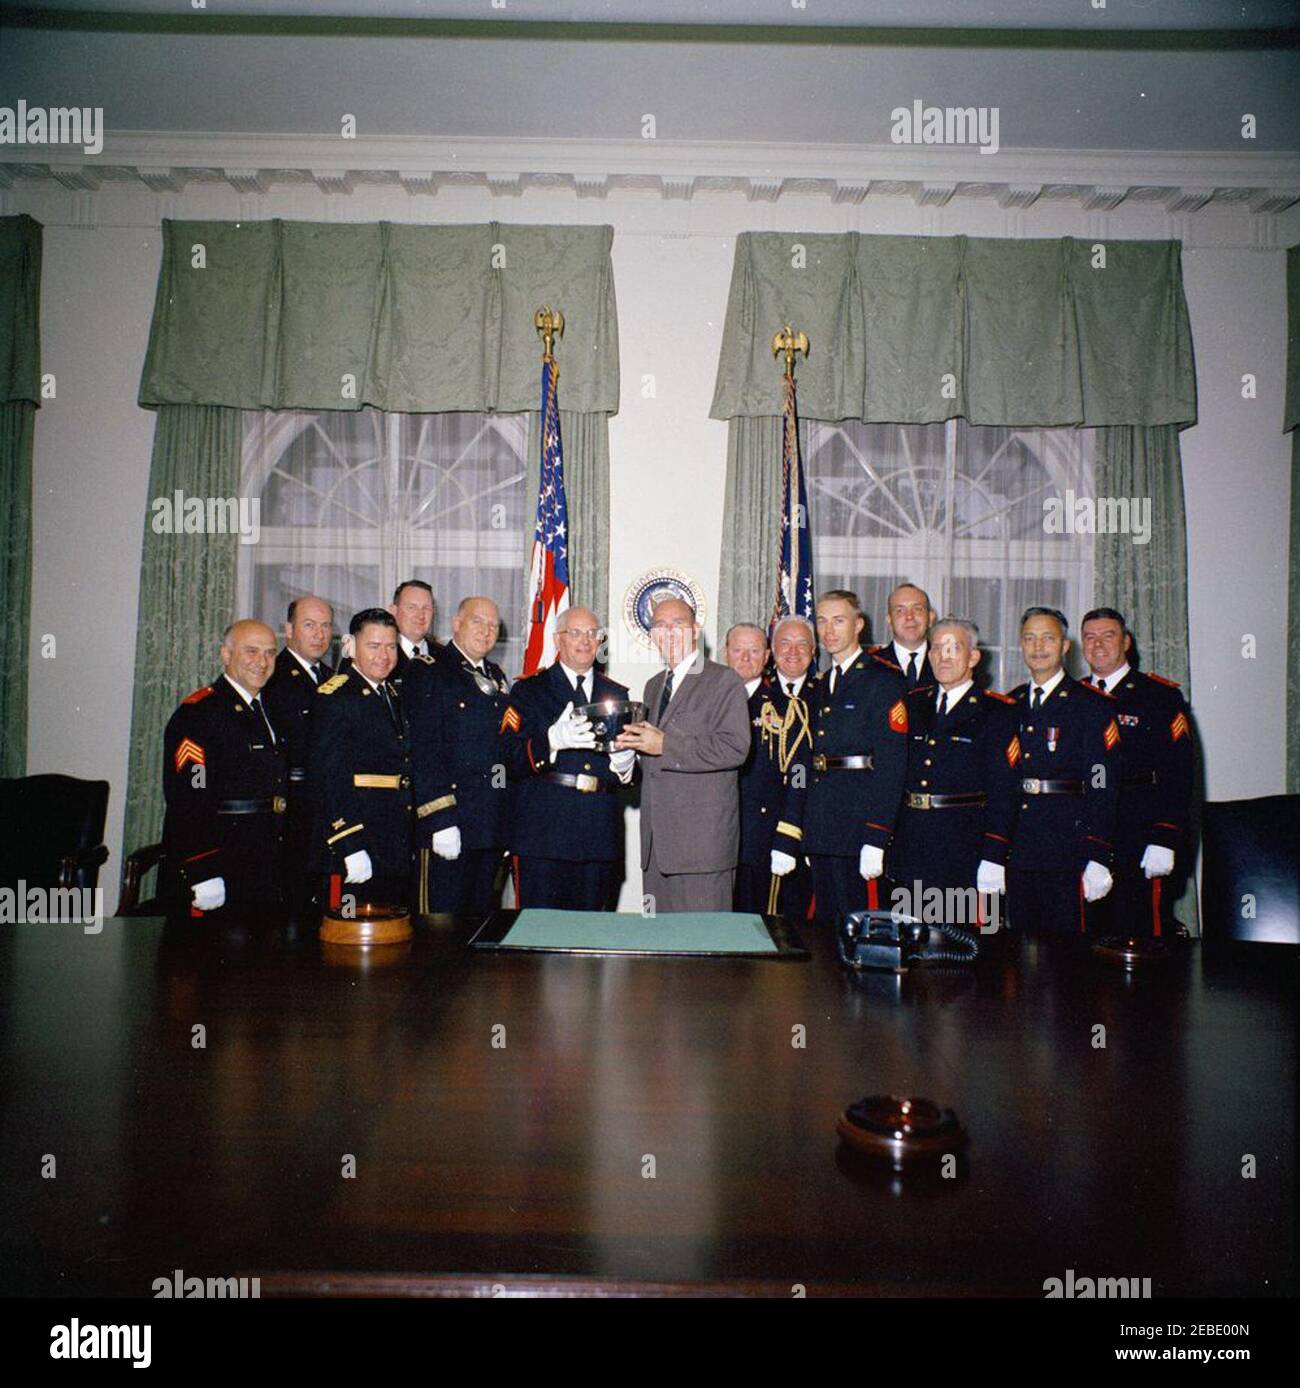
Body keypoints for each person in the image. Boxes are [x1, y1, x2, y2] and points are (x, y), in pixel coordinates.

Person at [615, 597, 750, 912]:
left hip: (701, 848)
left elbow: (735, 747)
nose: (669, 632)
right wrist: (627, 761)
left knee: (703, 949)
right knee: (660, 950)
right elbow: (655, 761)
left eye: (678, 624)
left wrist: (665, 745)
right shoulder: (653, 686)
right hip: (658, 847)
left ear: (696, 631)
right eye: (660, 626)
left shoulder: (723, 679)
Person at [884, 618, 1020, 925]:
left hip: (963, 850)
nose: (942, 656)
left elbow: (1004, 791)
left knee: (963, 952)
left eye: (953, 648)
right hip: (912, 847)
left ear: (973, 657)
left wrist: (994, 855)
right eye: (936, 649)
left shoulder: (997, 712)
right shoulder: (913, 703)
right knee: (911, 946)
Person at [499, 608, 636, 910]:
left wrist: (626, 767)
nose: (585, 641)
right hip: (544, 833)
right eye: (575, 633)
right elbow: (507, 759)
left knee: (590, 937)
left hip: (598, 832)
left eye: (593, 634)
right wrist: (550, 741)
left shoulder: (617, 694)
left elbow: (626, 772)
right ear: (557, 640)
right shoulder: (529, 690)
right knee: (538, 936)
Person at [1079, 607, 1194, 937]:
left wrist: (1165, 836)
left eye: (1108, 635)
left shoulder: (1159, 697)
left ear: (1126, 642)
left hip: (1139, 833)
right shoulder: (1076, 696)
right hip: (1088, 832)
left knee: (1141, 932)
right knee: (1089, 934)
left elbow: (1179, 772)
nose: (1098, 644)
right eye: (1090, 637)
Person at [1005, 606, 1120, 934]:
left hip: (1068, 847)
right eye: (1030, 638)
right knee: (1022, 948)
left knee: (1067, 955)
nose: (1038, 646)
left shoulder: (1090, 705)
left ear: (1065, 646)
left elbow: (1101, 782)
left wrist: (1098, 852)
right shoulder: (1010, 706)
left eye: (1048, 638)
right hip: (1021, 846)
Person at [160, 620, 287, 915]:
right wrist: (202, 868)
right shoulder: (199, 714)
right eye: (251, 651)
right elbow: (189, 797)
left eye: (270, 653)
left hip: (264, 859)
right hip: (220, 864)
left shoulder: (269, 710)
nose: (262, 662)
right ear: (226, 655)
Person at [799, 590, 909, 922]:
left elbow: (891, 765)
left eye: (839, 620)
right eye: (821, 621)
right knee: (826, 928)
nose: (828, 630)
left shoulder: (882, 680)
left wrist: (876, 837)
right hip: (822, 828)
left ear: (859, 624)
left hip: (858, 829)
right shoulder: (819, 686)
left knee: (864, 928)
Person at [408, 596, 512, 915]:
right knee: (439, 926)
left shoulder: (495, 675)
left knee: (479, 921)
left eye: (493, 625)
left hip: (489, 825)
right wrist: (441, 820)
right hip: (450, 823)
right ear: (456, 624)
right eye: (477, 622)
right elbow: (424, 749)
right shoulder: (430, 671)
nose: (486, 631)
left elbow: (502, 752)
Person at [305, 608, 414, 908]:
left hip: (392, 841)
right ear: (352, 645)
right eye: (374, 646)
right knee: (347, 939)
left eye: (391, 646)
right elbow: (326, 777)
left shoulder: (391, 692)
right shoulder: (336, 697)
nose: (384, 655)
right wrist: (349, 844)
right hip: (355, 845)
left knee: (388, 937)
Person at [723, 622, 811, 918]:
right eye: (738, 650)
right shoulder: (708, 704)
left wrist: (788, 836)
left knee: (761, 928)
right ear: (726, 654)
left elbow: (799, 776)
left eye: (754, 651)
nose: (746, 658)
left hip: (762, 837)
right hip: (715, 837)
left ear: (767, 656)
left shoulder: (787, 707)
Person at [261, 594, 334, 917]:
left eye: (325, 626)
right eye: (309, 625)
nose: (319, 634)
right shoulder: (271, 677)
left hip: (322, 815)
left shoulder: (334, 678)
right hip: (291, 815)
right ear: (288, 630)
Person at [869, 583, 937, 690]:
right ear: (889, 620)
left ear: (930, 617)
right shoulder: (871, 664)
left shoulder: (947, 663)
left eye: (917, 609)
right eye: (900, 610)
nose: (909, 616)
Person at [772, 614, 816, 699]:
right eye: (785, 643)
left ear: (813, 649)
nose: (793, 652)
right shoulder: (757, 689)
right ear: (773, 647)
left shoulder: (826, 690)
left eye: (802, 644)